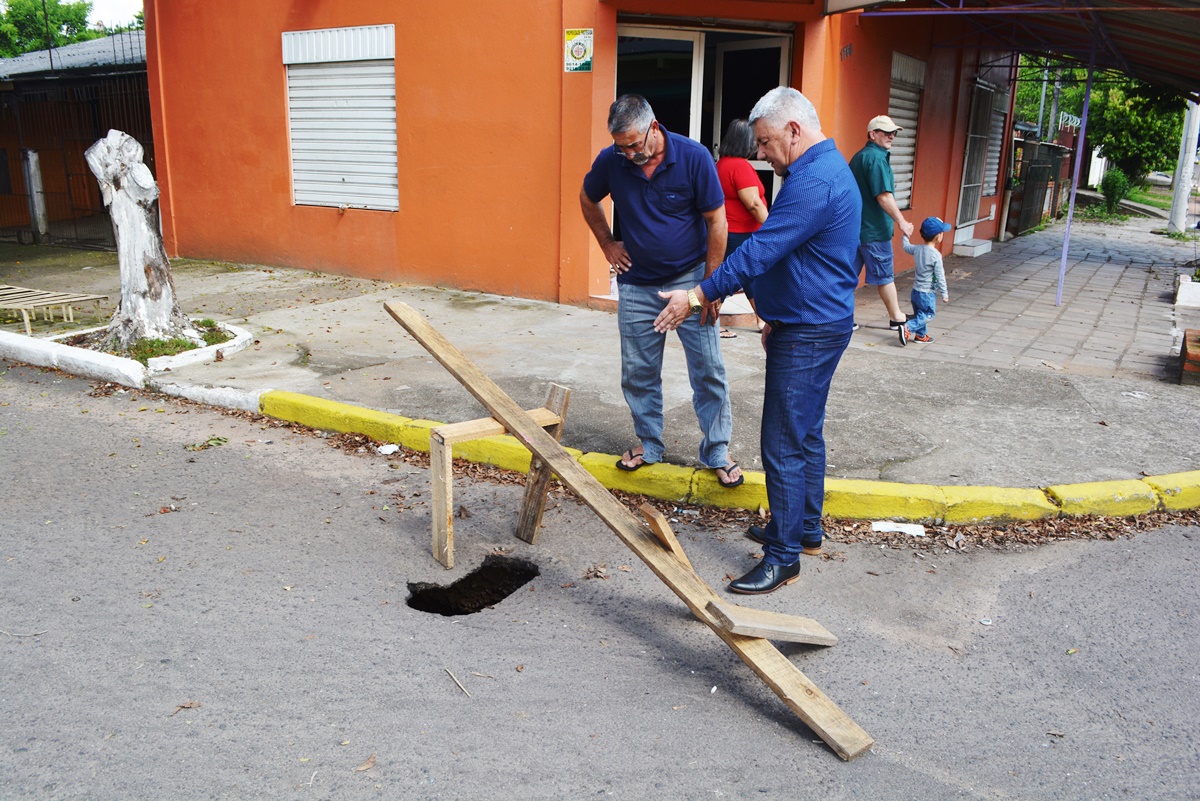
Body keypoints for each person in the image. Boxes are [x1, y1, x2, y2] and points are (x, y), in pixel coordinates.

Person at [653, 86, 861, 595]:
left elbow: (763, 251)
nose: (760, 154)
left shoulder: (816, 179)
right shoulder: (821, 170)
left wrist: (698, 294)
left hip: (810, 330)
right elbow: (802, 258)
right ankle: (803, 528)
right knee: (805, 432)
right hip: (811, 321)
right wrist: (773, 312)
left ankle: (783, 556)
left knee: (783, 443)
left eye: (765, 142)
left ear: (794, 129)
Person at [579, 94, 743, 488]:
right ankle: (649, 443)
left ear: (654, 127)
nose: (629, 153)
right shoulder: (612, 159)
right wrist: (607, 243)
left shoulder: (693, 156)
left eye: (635, 144)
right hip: (637, 284)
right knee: (638, 372)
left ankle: (717, 450)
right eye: (622, 146)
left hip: (690, 281)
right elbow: (588, 198)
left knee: (708, 371)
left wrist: (711, 285)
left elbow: (717, 223)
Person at [848, 115, 914, 345]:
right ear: (872, 134)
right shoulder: (875, 159)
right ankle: (897, 318)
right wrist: (902, 222)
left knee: (845, 277)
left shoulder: (860, 157)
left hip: (854, 229)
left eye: (894, 132)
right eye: (886, 132)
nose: (891, 136)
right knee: (885, 276)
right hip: (874, 230)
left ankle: (840, 318)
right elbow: (883, 196)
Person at [716, 118, 769, 337]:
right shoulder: (740, 166)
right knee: (727, 280)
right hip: (741, 234)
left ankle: (762, 320)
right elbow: (754, 203)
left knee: (748, 278)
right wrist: (773, 229)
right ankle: (706, 321)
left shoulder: (721, 164)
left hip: (729, 232)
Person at [901, 216, 952, 344]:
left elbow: (906, 247)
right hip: (927, 293)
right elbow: (940, 276)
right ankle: (908, 327)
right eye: (942, 233)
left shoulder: (917, 249)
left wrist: (905, 235)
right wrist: (944, 293)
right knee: (928, 315)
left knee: (920, 314)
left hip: (916, 291)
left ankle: (921, 336)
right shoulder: (936, 255)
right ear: (938, 236)